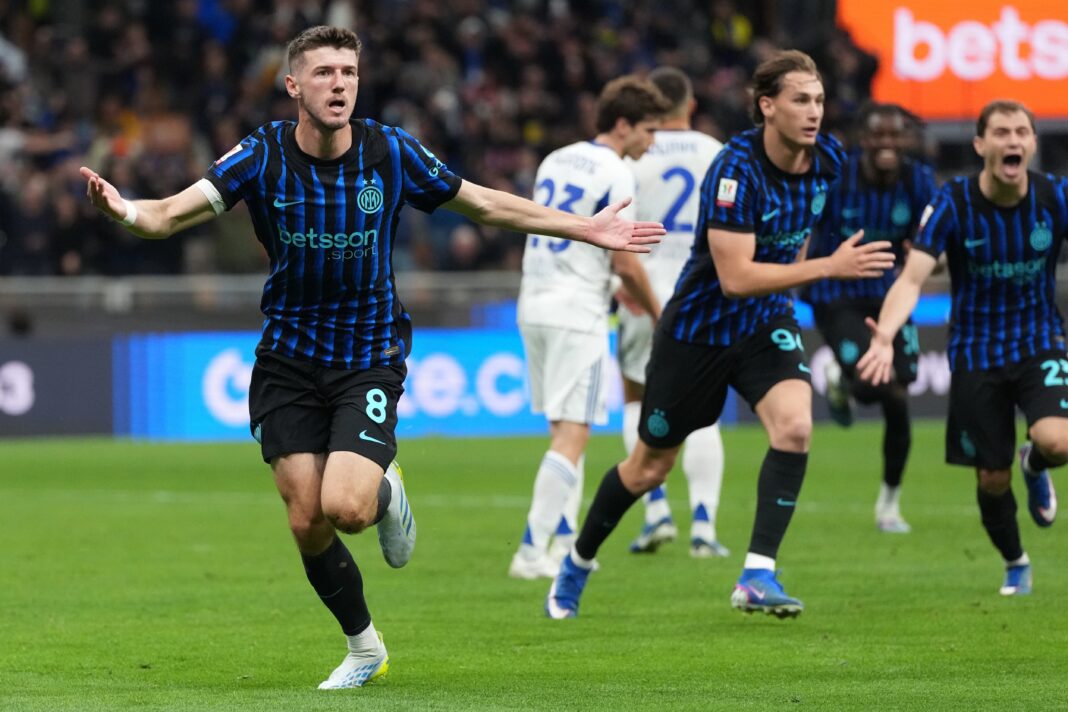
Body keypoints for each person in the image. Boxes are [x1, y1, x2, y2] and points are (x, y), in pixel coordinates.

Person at [79, 26, 664, 689]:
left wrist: (585, 227)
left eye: (349, 73)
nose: (339, 84)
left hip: (367, 354)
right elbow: (169, 214)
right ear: (294, 85)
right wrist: (124, 211)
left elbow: (485, 204)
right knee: (306, 519)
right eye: (324, 73)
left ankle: (387, 491)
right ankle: (364, 648)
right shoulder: (261, 154)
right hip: (287, 359)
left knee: (348, 509)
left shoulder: (390, 151)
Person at [544, 50, 895, 620]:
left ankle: (758, 573)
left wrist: (805, 277)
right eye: (801, 100)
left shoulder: (827, 159)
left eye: (820, 100)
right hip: (699, 332)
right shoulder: (735, 167)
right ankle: (578, 562)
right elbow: (735, 278)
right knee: (648, 468)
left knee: (796, 427)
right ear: (767, 106)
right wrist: (827, 269)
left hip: (765, 324)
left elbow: (798, 237)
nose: (814, 112)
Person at [857, 99, 1064, 596]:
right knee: (991, 478)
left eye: (1021, 132)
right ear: (980, 144)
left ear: (1033, 143)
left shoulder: (1055, 197)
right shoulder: (953, 201)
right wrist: (885, 334)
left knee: (1058, 439)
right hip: (975, 353)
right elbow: (911, 278)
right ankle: (1015, 560)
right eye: (1001, 133)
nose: (1012, 141)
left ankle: (1034, 462)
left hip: (1040, 342)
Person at [510, 75, 667, 579]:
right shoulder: (617, 172)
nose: (652, 140)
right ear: (623, 125)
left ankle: (558, 541)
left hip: (534, 299)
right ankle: (531, 551)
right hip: (576, 312)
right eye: (648, 129)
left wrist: (609, 280)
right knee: (574, 435)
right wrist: (660, 312)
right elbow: (624, 260)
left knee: (563, 431)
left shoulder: (556, 158)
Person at [801, 102, 937, 533]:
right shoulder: (838, 178)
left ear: (905, 141)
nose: (887, 144)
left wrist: (927, 254)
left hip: (890, 297)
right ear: (864, 139)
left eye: (895, 136)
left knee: (900, 390)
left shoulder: (918, 180)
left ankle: (889, 503)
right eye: (878, 135)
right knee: (875, 386)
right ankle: (846, 382)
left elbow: (933, 237)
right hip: (836, 294)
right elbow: (805, 223)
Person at [618, 67, 729, 558]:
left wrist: (615, 282)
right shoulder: (718, 153)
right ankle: (704, 526)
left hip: (643, 290)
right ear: (691, 105)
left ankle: (656, 509)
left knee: (637, 398)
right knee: (703, 410)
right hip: (702, 292)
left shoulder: (632, 156)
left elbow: (614, 225)